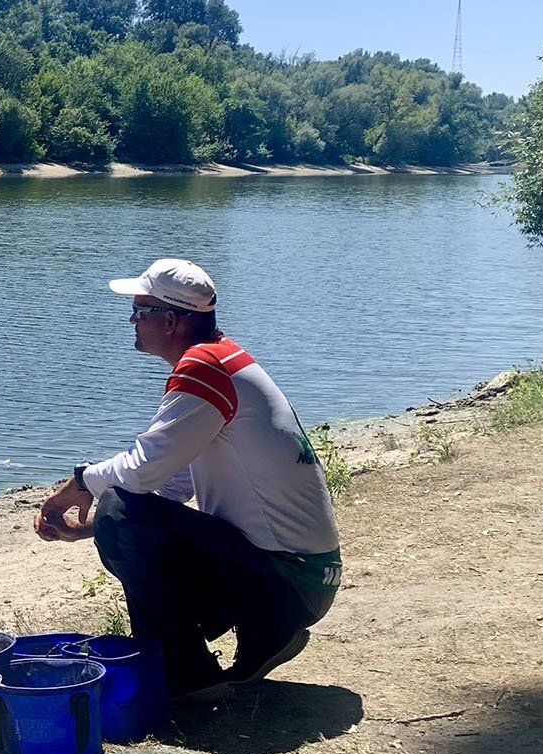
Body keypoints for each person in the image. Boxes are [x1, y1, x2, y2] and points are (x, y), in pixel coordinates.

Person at [32, 258, 342, 703]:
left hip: (289, 579)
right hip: (304, 577)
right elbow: (173, 483)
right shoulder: (223, 360)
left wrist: (80, 483)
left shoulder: (204, 369)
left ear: (172, 320)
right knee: (117, 514)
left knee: (119, 510)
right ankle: (264, 634)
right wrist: (89, 527)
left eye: (139, 311)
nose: (131, 321)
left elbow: (142, 469)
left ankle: (186, 676)